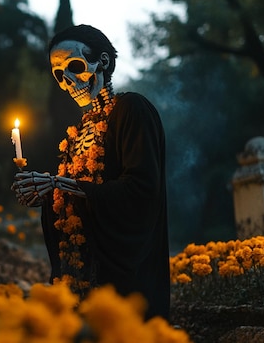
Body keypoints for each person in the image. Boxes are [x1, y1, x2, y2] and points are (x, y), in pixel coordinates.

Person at [12, 24, 170, 320]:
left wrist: (59, 183)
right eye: (59, 75)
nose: (69, 81)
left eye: (75, 67)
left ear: (103, 63)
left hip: (121, 275)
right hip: (80, 268)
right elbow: (76, 196)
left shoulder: (132, 108)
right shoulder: (78, 132)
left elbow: (142, 189)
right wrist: (46, 195)